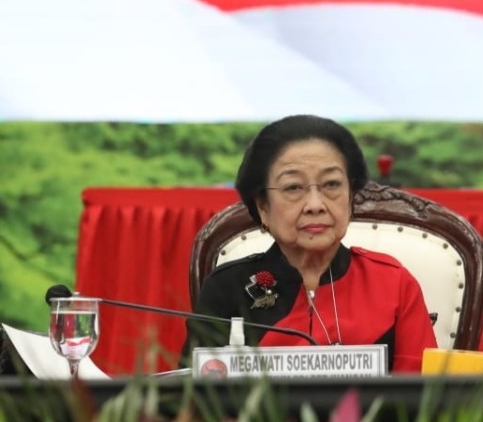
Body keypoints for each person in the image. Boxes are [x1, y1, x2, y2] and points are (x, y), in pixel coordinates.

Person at [182, 115, 437, 372]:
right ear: (263, 207)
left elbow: (424, 399)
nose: (315, 205)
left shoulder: (392, 284)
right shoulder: (229, 288)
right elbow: (196, 403)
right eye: (293, 187)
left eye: (331, 184)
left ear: (351, 197)